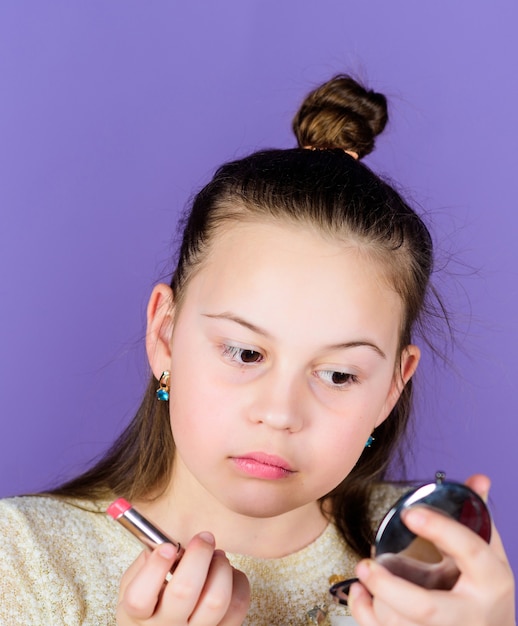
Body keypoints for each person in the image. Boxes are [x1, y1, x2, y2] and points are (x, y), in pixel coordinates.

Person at [0, 75, 514, 626]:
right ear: (165, 335)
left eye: (339, 375)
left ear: (393, 384)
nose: (280, 413)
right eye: (245, 354)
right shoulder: (23, 561)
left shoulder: (430, 563)